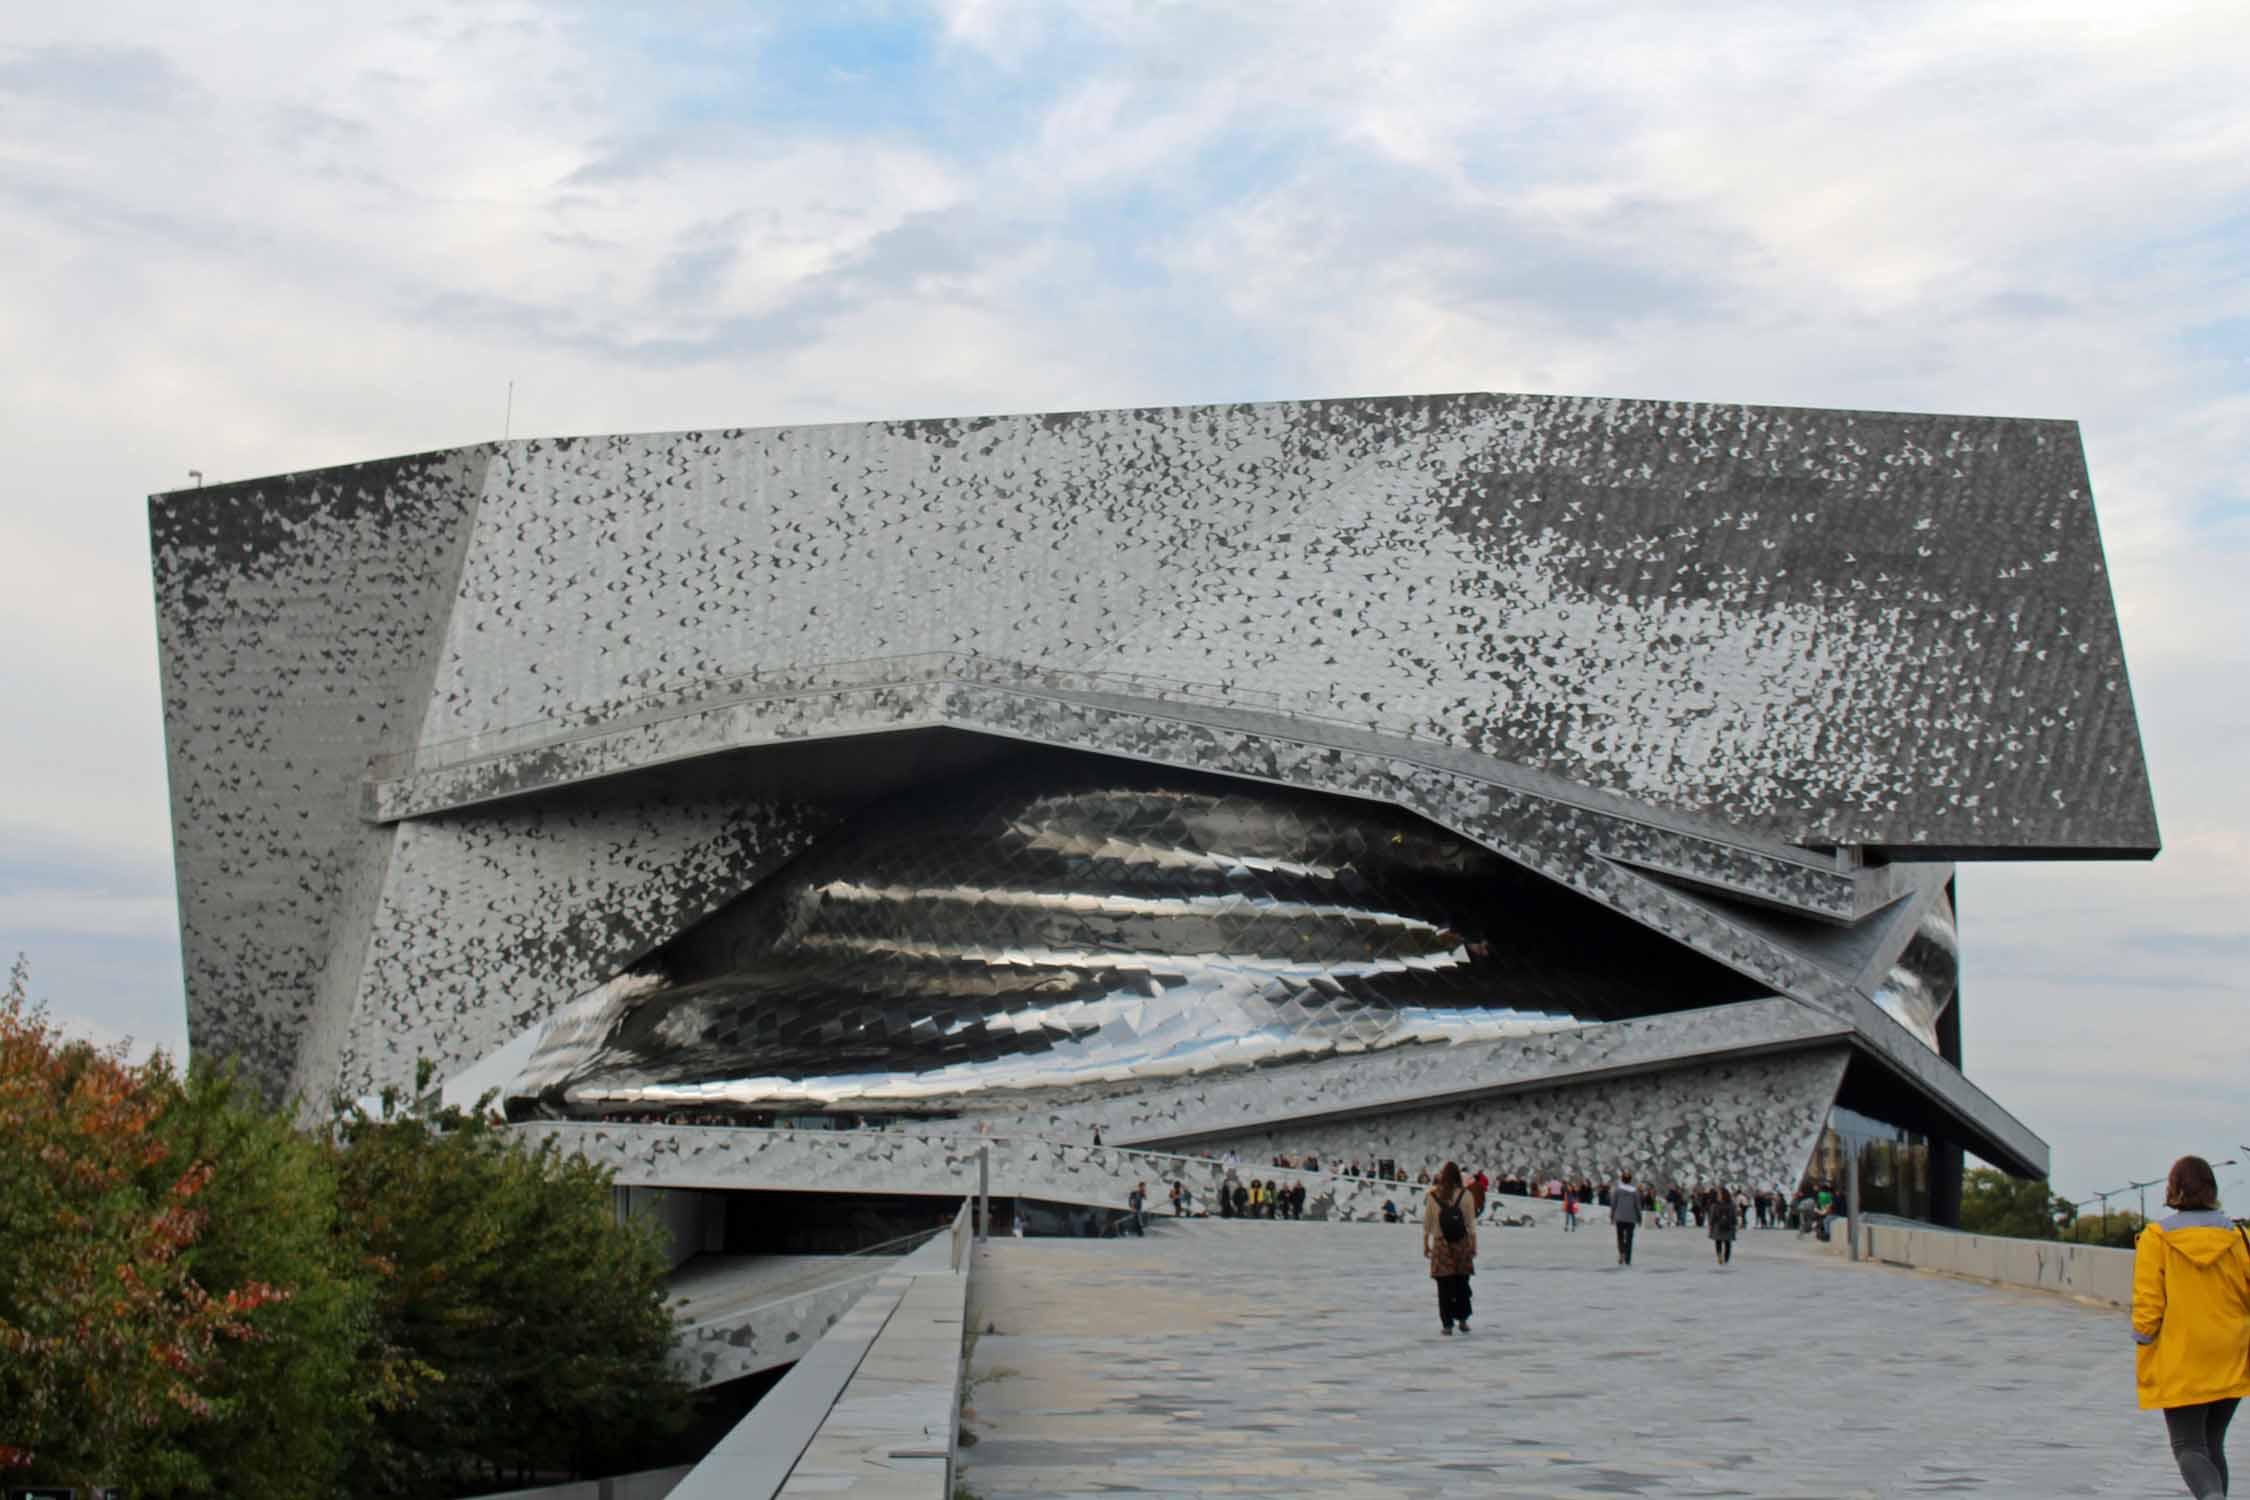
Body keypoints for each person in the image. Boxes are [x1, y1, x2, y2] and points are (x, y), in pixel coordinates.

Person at [2133, 1154, 2250, 1498]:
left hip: (2183, 1352)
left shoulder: (2157, 1238)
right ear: (2212, 1190)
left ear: (2173, 1190)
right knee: (2213, 1442)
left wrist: (2143, 1338)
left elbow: (2148, 1301)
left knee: (2187, 1445)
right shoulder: (2238, 1237)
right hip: (2230, 1350)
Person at [1422, 1160, 1478, 1335]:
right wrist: (1473, 1245)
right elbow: (1470, 1224)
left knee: (1444, 1286)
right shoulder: (1466, 1195)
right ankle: (1462, 1319)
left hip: (1441, 1245)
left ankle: (1447, 1324)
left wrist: (1425, 1244)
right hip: (1461, 1244)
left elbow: (1427, 1223)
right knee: (1462, 1282)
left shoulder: (1433, 1196)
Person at [1611, 1169, 1642, 1267]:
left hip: (1619, 1217)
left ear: (1622, 1179)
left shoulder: (1618, 1190)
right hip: (1631, 1217)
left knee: (1620, 1237)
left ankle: (1622, 1253)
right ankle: (1628, 1258)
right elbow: (1637, 1205)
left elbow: (1614, 1203)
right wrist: (1639, 1217)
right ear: (1630, 1180)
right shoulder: (1634, 1191)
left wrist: (1612, 1215)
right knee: (1629, 1238)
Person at [1708, 1184, 1738, 1266]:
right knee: (1726, 1243)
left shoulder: (1715, 1205)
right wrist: (1735, 1225)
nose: (1718, 1196)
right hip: (1727, 1226)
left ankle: (1721, 1257)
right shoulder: (1731, 1205)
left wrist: (1710, 1225)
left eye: (1719, 1194)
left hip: (1720, 1226)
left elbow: (1712, 1217)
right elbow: (1734, 1217)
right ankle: (1724, 1258)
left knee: (1720, 1242)